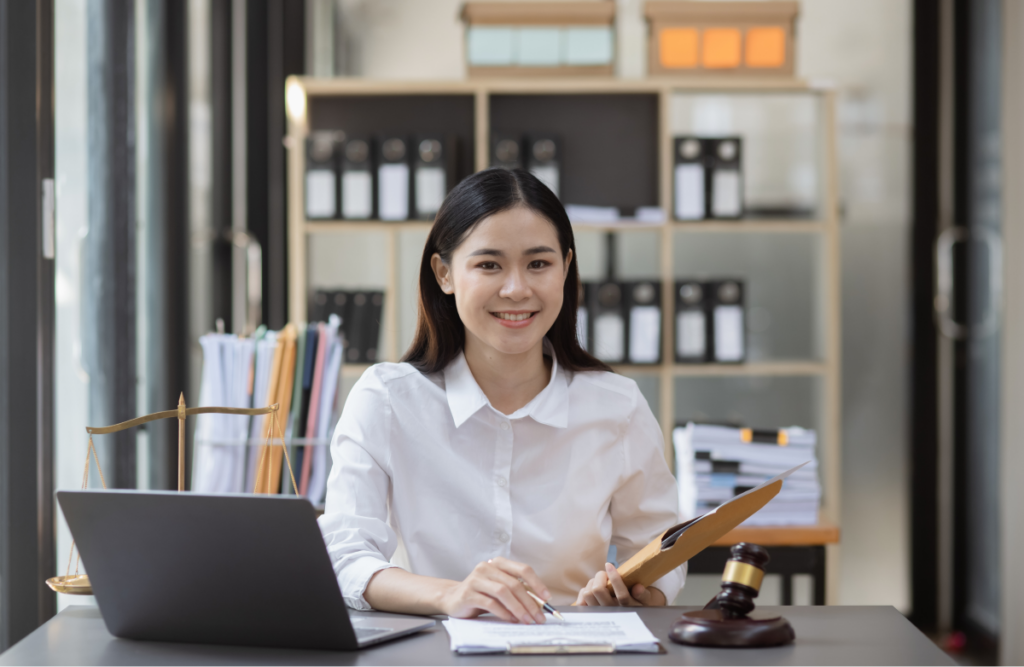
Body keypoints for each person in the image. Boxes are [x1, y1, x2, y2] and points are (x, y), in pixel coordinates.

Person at [318, 168, 685, 625]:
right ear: (444, 273)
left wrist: (633, 594)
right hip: (433, 652)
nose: (516, 289)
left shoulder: (617, 406)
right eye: (489, 264)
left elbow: (661, 552)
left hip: (577, 652)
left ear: (566, 270)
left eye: (539, 264)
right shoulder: (387, 399)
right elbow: (344, 558)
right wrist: (453, 596)